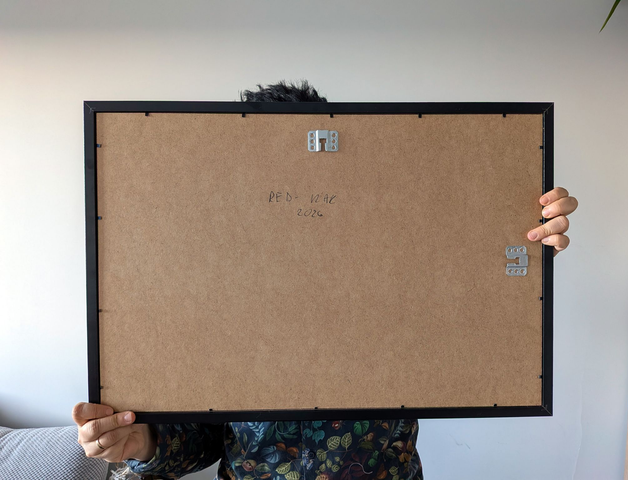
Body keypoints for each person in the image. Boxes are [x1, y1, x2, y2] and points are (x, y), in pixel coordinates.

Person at [73, 80, 579, 480]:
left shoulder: (399, 257)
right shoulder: (211, 286)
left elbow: (470, 288)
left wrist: (528, 233)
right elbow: (202, 435)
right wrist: (142, 442)